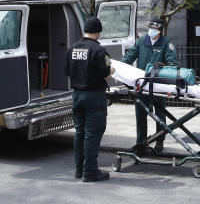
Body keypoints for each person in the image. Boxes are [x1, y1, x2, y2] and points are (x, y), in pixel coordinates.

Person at [120, 17, 178, 154]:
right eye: (151, 28)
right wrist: (119, 68)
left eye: (156, 29)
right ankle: (141, 143)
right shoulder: (142, 42)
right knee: (140, 114)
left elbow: (172, 64)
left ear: (161, 31)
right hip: (143, 84)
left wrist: (161, 70)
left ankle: (159, 140)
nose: (152, 31)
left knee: (160, 114)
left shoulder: (166, 44)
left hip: (158, 85)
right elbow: (128, 57)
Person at [66, 16, 112, 182]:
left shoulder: (72, 48)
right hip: (94, 97)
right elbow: (105, 73)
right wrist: (111, 70)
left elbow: (67, 71)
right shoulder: (99, 51)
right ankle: (90, 171)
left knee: (80, 133)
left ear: (85, 31)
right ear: (98, 33)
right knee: (93, 133)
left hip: (77, 95)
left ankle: (79, 169)